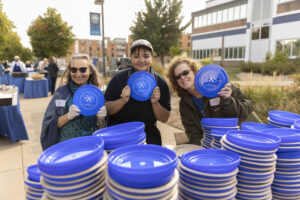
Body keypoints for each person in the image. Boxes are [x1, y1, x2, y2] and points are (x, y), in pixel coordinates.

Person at [166, 55, 261, 145]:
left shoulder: (218, 85)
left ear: (195, 71)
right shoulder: (184, 103)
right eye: (178, 77)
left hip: (238, 140)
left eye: (185, 72)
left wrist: (228, 100)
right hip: (212, 145)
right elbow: (193, 132)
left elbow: (247, 108)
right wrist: (202, 150)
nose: (182, 77)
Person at [105, 39, 171, 145]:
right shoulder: (118, 79)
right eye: (136, 56)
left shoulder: (160, 83)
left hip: (148, 139)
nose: (141, 60)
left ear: (152, 58)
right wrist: (122, 100)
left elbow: (164, 118)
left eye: (146, 56)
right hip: (120, 138)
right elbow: (107, 110)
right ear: (131, 58)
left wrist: (155, 103)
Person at [40, 54, 107, 150]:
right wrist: (68, 116)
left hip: (91, 147)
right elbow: (49, 124)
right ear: (69, 71)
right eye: (74, 70)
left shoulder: (97, 94)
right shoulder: (61, 92)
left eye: (83, 69)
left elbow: (102, 132)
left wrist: (101, 119)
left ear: (90, 71)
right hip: (66, 148)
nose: (78, 74)